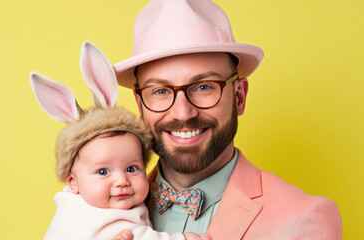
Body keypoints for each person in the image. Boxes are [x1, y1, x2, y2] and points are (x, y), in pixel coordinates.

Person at [112, 0, 342, 239]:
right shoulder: (94, 207)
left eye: (203, 87)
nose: (182, 113)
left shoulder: (303, 219)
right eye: (160, 91)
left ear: (239, 97)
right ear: (140, 105)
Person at [30, 42, 211, 240]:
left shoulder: (100, 203)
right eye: (103, 171)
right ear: (73, 182)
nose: (122, 181)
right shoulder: (88, 216)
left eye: (132, 169)